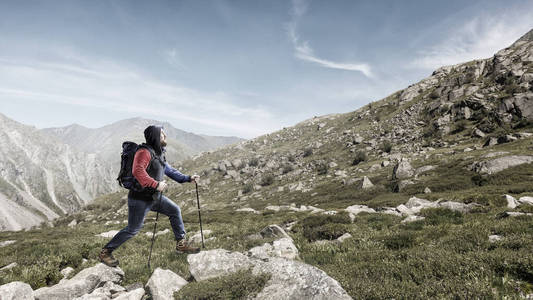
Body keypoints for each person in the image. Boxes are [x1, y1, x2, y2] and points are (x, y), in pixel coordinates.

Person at [99, 125, 200, 267]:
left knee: (174, 210)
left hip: (154, 198)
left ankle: (181, 244)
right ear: (155, 136)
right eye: (162, 134)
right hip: (139, 199)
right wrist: (156, 184)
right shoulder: (144, 152)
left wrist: (188, 178)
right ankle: (106, 252)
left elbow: (170, 170)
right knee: (132, 229)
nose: (165, 137)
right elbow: (138, 171)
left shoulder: (158, 153)